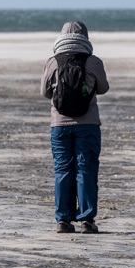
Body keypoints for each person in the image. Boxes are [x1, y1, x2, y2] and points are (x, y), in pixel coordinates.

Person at [41, 21, 109, 234]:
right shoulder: (93, 61)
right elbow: (104, 88)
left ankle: (63, 220)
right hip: (87, 124)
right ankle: (87, 220)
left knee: (62, 169)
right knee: (86, 169)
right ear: (86, 38)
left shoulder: (52, 61)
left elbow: (44, 92)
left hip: (59, 125)